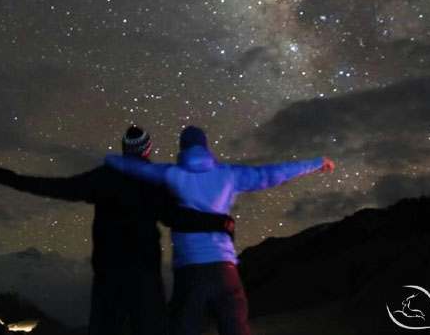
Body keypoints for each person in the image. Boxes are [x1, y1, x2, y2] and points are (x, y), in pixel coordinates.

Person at [0, 125, 235, 335]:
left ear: (124, 148)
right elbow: (180, 218)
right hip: (144, 274)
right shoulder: (153, 182)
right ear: (147, 150)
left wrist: (13, 179)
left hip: (108, 274)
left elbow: (59, 187)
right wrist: (218, 223)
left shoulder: (103, 178)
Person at [104, 125, 335, 335]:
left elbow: (134, 168)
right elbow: (272, 174)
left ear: (182, 149)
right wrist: (316, 163)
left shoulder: (173, 174)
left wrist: (109, 158)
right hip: (225, 270)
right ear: (205, 147)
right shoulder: (228, 174)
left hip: (190, 272)